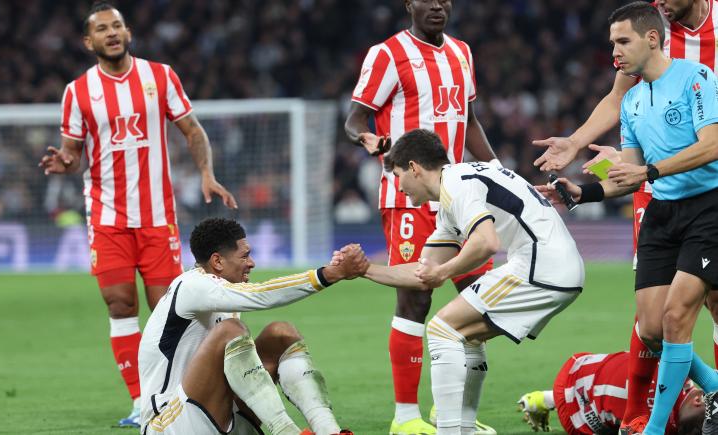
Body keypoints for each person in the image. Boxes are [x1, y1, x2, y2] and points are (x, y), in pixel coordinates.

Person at [38, 2, 237, 427]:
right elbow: (73, 153)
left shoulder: (159, 76)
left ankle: (182, 392)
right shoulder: (77, 92)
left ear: (127, 33)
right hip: (106, 217)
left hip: (155, 216)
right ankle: (140, 400)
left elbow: (192, 129)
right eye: (102, 29)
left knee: (168, 307)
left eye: (117, 26)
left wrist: (206, 173)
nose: (112, 33)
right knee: (119, 303)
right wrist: (65, 163)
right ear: (87, 42)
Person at [531, 0, 718, 431]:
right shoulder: (635, 90)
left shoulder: (698, 76)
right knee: (653, 325)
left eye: (621, 42)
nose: (615, 53)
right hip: (661, 201)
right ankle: (710, 391)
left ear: (651, 39)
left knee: (686, 311)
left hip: (708, 196)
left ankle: (655, 423)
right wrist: (581, 178)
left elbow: (709, 141)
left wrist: (649, 169)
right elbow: (626, 152)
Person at [356, 129, 584, 435]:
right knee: (466, 335)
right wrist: (362, 269)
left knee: (441, 328)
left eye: (398, 175)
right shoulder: (455, 192)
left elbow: (486, 242)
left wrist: (444, 272)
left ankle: (451, 430)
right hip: (555, 266)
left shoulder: (457, 186)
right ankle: (464, 428)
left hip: (540, 266)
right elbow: (422, 272)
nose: (398, 187)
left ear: (414, 168)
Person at [344, 1, 498, 432]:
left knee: (480, 302)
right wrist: (368, 138)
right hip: (408, 197)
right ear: (409, 4)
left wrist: (497, 170)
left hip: (458, 196)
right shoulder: (388, 53)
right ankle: (405, 418)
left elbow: (469, 120)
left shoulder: (461, 52)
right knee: (415, 298)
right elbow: (354, 118)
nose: (437, 5)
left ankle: (460, 416)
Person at [139, 217, 366, 435]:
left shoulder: (225, 292)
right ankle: (286, 431)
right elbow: (261, 294)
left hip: (218, 417)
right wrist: (329, 273)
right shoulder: (191, 285)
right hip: (169, 425)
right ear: (217, 261)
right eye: (245, 256)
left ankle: (330, 431)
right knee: (231, 331)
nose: (252, 263)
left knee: (281, 334)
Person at [516, 352, 704, 435]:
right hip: (574, 413)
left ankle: (543, 399)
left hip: (581, 366)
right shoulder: (660, 427)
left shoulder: (683, 371)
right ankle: (546, 399)